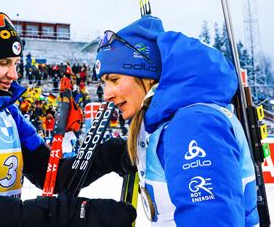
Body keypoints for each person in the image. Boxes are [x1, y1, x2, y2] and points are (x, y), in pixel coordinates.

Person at [0, 12, 136, 227]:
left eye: (15, 64)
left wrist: (108, 156)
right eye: (3, 63)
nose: (14, 74)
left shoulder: (6, 111)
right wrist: (63, 215)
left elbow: (51, 174)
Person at [95, 14, 259, 226]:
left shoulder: (192, 125)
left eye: (114, 80)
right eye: (104, 83)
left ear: (146, 75)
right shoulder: (170, 124)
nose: (107, 94)